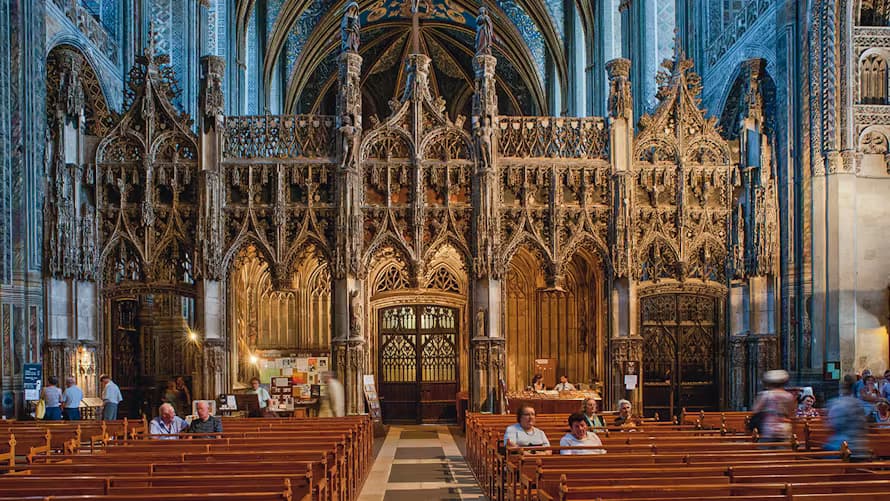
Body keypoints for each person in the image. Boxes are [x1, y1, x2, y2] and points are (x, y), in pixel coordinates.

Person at [825, 375, 867, 458]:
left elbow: (833, 425)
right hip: (860, 447)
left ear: (842, 388)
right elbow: (864, 425)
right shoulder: (858, 404)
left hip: (842, 446)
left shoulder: (838, 404)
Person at [750, 370, 795, 443]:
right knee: (784, 450)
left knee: (767, 450)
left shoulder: (766, 395)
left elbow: (756, 409)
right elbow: (792, 413)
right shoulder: (788, 396)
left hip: (769, 426)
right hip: (784, 427)